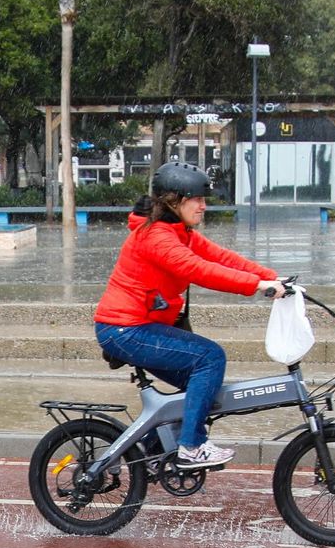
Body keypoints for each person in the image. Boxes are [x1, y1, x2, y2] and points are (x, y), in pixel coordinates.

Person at [94, 161, 284, 468]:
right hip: (125, 329)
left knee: (200, 388)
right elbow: (199, 270)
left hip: (140, 326)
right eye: (197, 199)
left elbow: (222, 258)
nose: (203, 206)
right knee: (209, 358)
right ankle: (192, 447)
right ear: (174, 200)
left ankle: (151, 453)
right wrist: (258, 286)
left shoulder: (179, 232)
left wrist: (273, 277)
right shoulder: (156, 236)